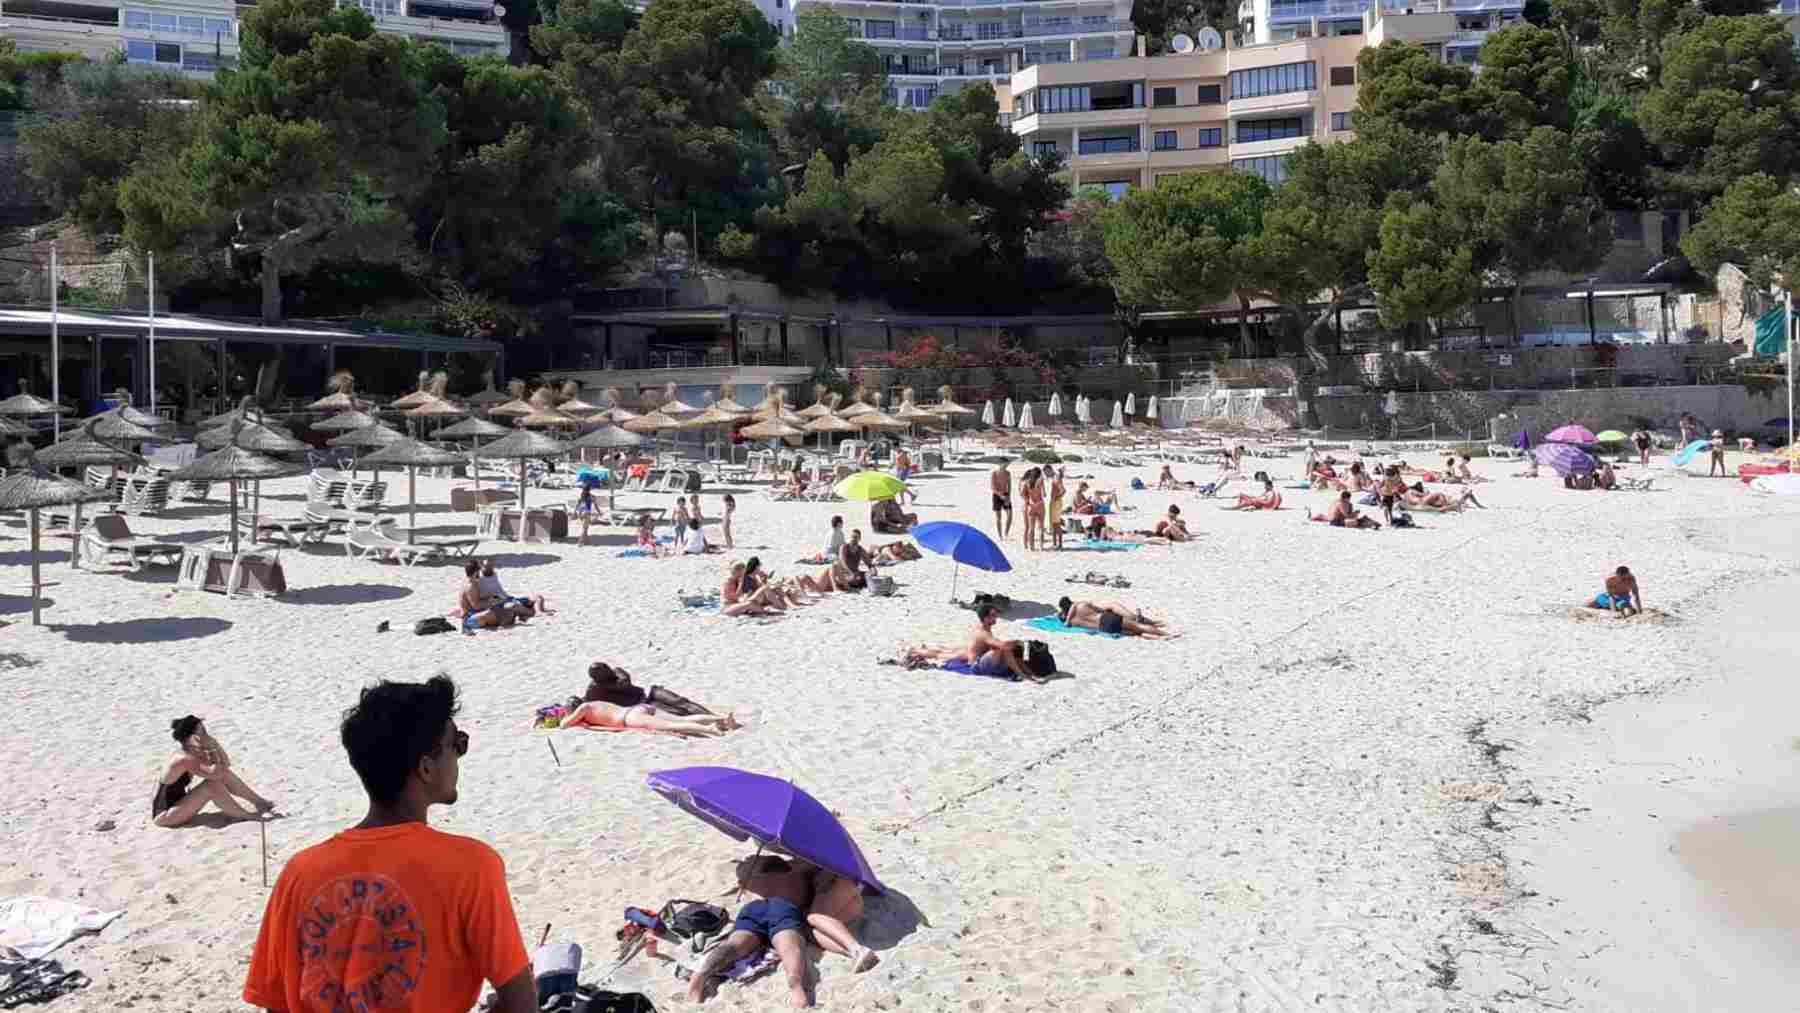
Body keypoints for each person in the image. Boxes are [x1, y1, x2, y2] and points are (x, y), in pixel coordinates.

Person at [243, 676, 536, 1013]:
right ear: (426, 768)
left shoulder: (299, 872)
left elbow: (276, 1005)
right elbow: (521, 1005)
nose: (459, 756)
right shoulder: (472, 866)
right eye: (457, 744)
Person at [688, 855, 814, 1007]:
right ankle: (795, 982)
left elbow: (742, 884)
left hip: (754, 907)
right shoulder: (797, 876)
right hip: (783, 907)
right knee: (789, 946)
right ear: (787, 868)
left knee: (734, 944)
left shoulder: (754, 880)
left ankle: (701, 974)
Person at [152, 716, 275, 828]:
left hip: (179, 805)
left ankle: (260, 802)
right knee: (211, 785)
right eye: (202, 731)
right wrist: (211, 746)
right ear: (192, 736)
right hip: (165, 815)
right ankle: (246, 815)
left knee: (223, 775)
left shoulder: (193, 752)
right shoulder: (183, 759)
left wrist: (213, 744)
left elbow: (225, 766)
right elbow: (215, 774)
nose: (205, 734)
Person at [903, 604, 1037, 680]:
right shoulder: (983, 633)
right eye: (993, 615)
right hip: (975, 661)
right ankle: (915, 651)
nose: (996, 617)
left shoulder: (981, 627)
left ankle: (917, 650)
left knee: (944, 652)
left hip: (971, 653)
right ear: (985, 618)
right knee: (941, 654)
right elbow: (1000, 645)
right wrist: (1018, 641)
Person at [806, 865, 879, 974]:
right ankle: (853, 953)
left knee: (813, 917)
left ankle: (857, 949)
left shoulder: (801, 861)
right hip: (845, 904)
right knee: (813, 932)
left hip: (837, 886)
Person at [583, 661, 717, 718]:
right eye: (600, 673)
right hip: (642, 705)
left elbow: (624, 683)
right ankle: (711, 722)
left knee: (682, 702)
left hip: (649, 693)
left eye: (605, 669)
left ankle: (715, 718)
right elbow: (584, 703)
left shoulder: (618, 672)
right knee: (678, 713)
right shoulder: (594, 689)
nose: (607, 671)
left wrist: (605, 685)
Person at [558, 696, 737, 736]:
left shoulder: (584, 708)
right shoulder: (595, 702)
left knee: (671, 726)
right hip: (639, 707)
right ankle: (721, 718)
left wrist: (567, 715)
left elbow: (564, 725)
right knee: (681, 719)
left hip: (629, 717)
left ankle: (709, 729)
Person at [1056, 596, 1171, 638]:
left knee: (1136, 632)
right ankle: (1165, 634)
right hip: (1106, 619)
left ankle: (1158, 637)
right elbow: (1101, 610)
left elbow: (1063, 619)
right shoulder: (1081, 604)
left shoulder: (1071, 622)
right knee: (1138, 626)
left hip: (1104, 629)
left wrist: (1063, 616)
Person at [458, 560, 517, 632]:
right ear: (476, 572)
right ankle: (502, 620)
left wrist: (490, 598)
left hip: (474, 614)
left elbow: (477, 600)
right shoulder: (471, 587)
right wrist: (492, 602)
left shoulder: (471, 582)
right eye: (479, 570)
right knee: (493, 612)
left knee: (505, 609)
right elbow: (476, 606)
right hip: (470, 619)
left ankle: (502, 619)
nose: (481, 573)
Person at [480, 558, 550, 617]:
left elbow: (500, 590)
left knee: (538, 597)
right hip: (500, 602)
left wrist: (507, 597)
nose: (489, 568)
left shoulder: (494, 574)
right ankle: (533, 612)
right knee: (513, 606)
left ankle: (538, 611)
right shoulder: (479, 579)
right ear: (481, 567)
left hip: (509, 598)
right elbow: (483, 596)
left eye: (491, 566)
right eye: (487, 566)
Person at [1309, 490, 1381, 529]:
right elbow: (1347, 516)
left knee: (1361, 519)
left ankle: (1372, 524)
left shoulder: (1336, 501)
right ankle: (1371, 524)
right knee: (1357, 521)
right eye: (1349, 499)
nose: (1349, 500)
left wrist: (1351, 508)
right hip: (1335, 522)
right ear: (1346, 498)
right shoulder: (1342, 503)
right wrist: (1355, 512)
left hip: (1334, 520)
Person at [1019, 467, 1043, 551]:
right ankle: (1041, 546)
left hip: (1030, 506)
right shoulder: (1040, 482)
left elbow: (1022, 493)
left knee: (1030, 528)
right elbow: (1044, 494)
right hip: (1040, 505)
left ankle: (1031, 547)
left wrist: (1028, 501)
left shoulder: (1027, 482)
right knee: (1040, 527)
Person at [990, 461, 1013, 539]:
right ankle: (1000, 535)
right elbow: (993, 488)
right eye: (1004, 464)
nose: (1006, 465)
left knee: (1010, 515)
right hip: (996, 496)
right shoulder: (994, 473)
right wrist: (1000, 495)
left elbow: (1009, 486)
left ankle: (1006, 533)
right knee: (998, 517)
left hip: (1006, 495)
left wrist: (1008, 496)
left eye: (1007, 464)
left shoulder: (1008, 473)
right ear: (999, 464)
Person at [1047, 467, 1067, 550]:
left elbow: (1063, 490)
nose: (1046, 474)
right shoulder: (1056, 477)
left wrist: (1056, 498)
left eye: (1046, 472)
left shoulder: (1056, 478)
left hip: (1056, 502)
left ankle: (1059, 544)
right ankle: (1055, 543)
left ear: (1049, 470)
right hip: (1055, 502)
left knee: (1056, 524)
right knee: (1054, 524)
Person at [575, 479, 598, 546]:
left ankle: (587, 541)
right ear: (590, 489)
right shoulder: (592, 496)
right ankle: (580, 542)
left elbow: (577, 504)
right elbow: (596, 505)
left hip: (580, 512)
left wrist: (574, 513)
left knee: (585, 528)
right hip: (587, 512)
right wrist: (599, 512)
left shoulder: (581, 495)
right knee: (584, 529)